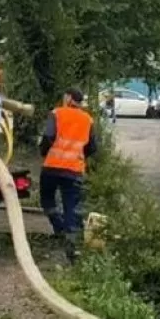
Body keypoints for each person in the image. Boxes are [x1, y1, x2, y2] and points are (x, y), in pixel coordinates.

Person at [39, 88, 97, 262]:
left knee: (47, 199)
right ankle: (72, 246)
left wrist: (44, 152)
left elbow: (48, 136)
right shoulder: (88, 119)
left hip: (52, 167)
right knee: (72, 206)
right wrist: (79, 156)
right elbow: (92, 147)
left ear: (69, 98)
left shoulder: (57, 113)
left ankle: (59, 227)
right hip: (74, 170)